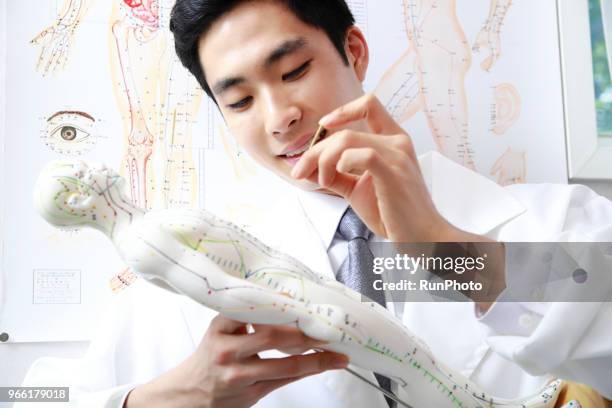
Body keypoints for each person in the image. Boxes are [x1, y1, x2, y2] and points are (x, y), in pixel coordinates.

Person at [18, 1, 612, 407]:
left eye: (294, 70)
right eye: (241, 101)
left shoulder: (555, 220)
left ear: (354, 51)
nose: (280, 119)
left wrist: (440, 244)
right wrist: (172, 395)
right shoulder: (193, 268)